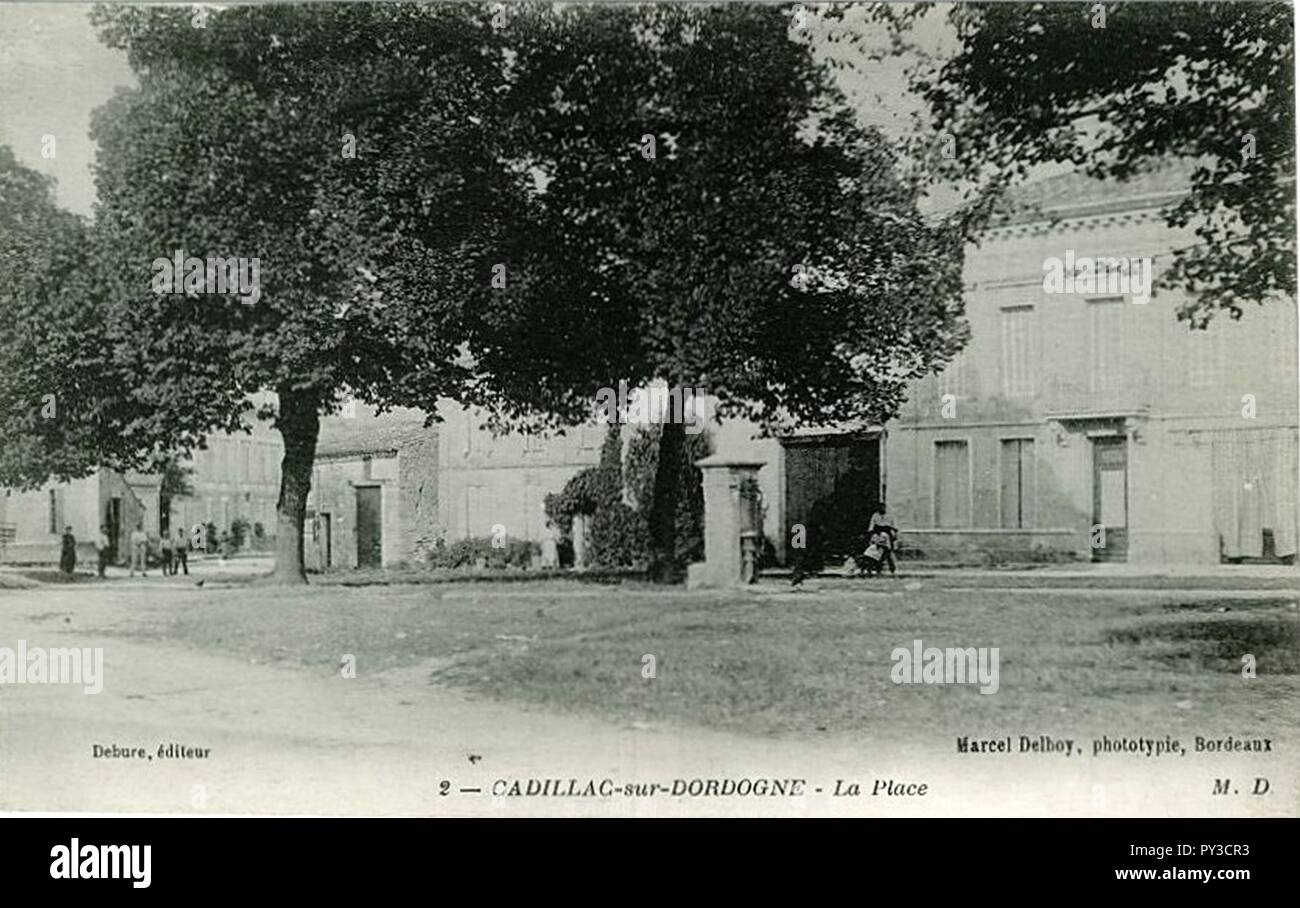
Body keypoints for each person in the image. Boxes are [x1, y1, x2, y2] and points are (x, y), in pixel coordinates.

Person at [867, 504, 898, 575]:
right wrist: (872, 534)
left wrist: (893, 535)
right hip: (877, 535)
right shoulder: (875, 516)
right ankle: (876, 567)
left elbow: (894, 527)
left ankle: (892, 568)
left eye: (883, 508)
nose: (881, 509)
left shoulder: (890, 516)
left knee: (887, 552)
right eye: (880, 508)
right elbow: (871, 527)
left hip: (887, 535)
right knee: (875, 552)